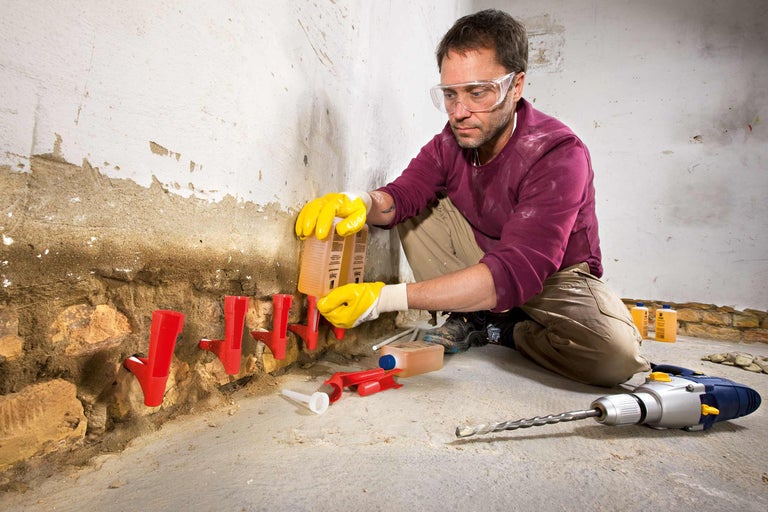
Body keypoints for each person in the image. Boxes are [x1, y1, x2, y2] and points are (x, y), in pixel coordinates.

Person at [295, 9, 650, 387]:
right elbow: (402, 196)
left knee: (614, 358)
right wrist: (361, 203)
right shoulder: (450, 143)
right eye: (450, 95)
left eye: (477, 92)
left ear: (515, 87)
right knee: (415, 208)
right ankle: (478, 316)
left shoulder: (557, 153)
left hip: (554, 275)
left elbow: (516, 270)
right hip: (487, 256)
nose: (459, 113)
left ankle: (508, 330)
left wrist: (384, 299)